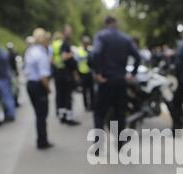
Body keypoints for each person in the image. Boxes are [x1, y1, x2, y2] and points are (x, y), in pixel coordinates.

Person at [91, 16, 141, 151]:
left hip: (106, 81)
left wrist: (97, 73)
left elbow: (95, 53)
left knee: (100, 114)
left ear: (106, 24)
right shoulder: (125, 38)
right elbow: (137, 56)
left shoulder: (101, 37)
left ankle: (98, 146)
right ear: (116, 23)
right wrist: (133, 74)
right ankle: (120, 144)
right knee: (120, 113)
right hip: (120, 81)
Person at [24, 28, 53, 150]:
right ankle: (42, 141)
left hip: (30, 84)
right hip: (38, 85)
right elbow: (44, 76)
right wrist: (48, 89)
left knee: (38, 114)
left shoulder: (30, 50)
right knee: (42, 114)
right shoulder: (41, 54)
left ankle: (42, 139)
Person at [52, 25, 80, 126]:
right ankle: (69, 118)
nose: (70, 33)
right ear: (64, 32)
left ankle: (62, 116)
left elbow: (53, 60)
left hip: (58, 73)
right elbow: (64, 57)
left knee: (61, 96)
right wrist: (71, 55)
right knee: (68, 97)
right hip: (66, 74)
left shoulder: (55, 45)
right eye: (68, 31)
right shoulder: (65, 44)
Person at [76, 36, 95, 112]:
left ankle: (92, 105)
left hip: (90, 73)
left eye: (87, 43)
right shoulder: (79, 51)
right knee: (84, 91)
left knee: (91, 91)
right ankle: (86, 106)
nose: (86, 44)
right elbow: (76, 63)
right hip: (82, 73)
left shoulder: (90, 50)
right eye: (85, 43)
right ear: (83, 43)